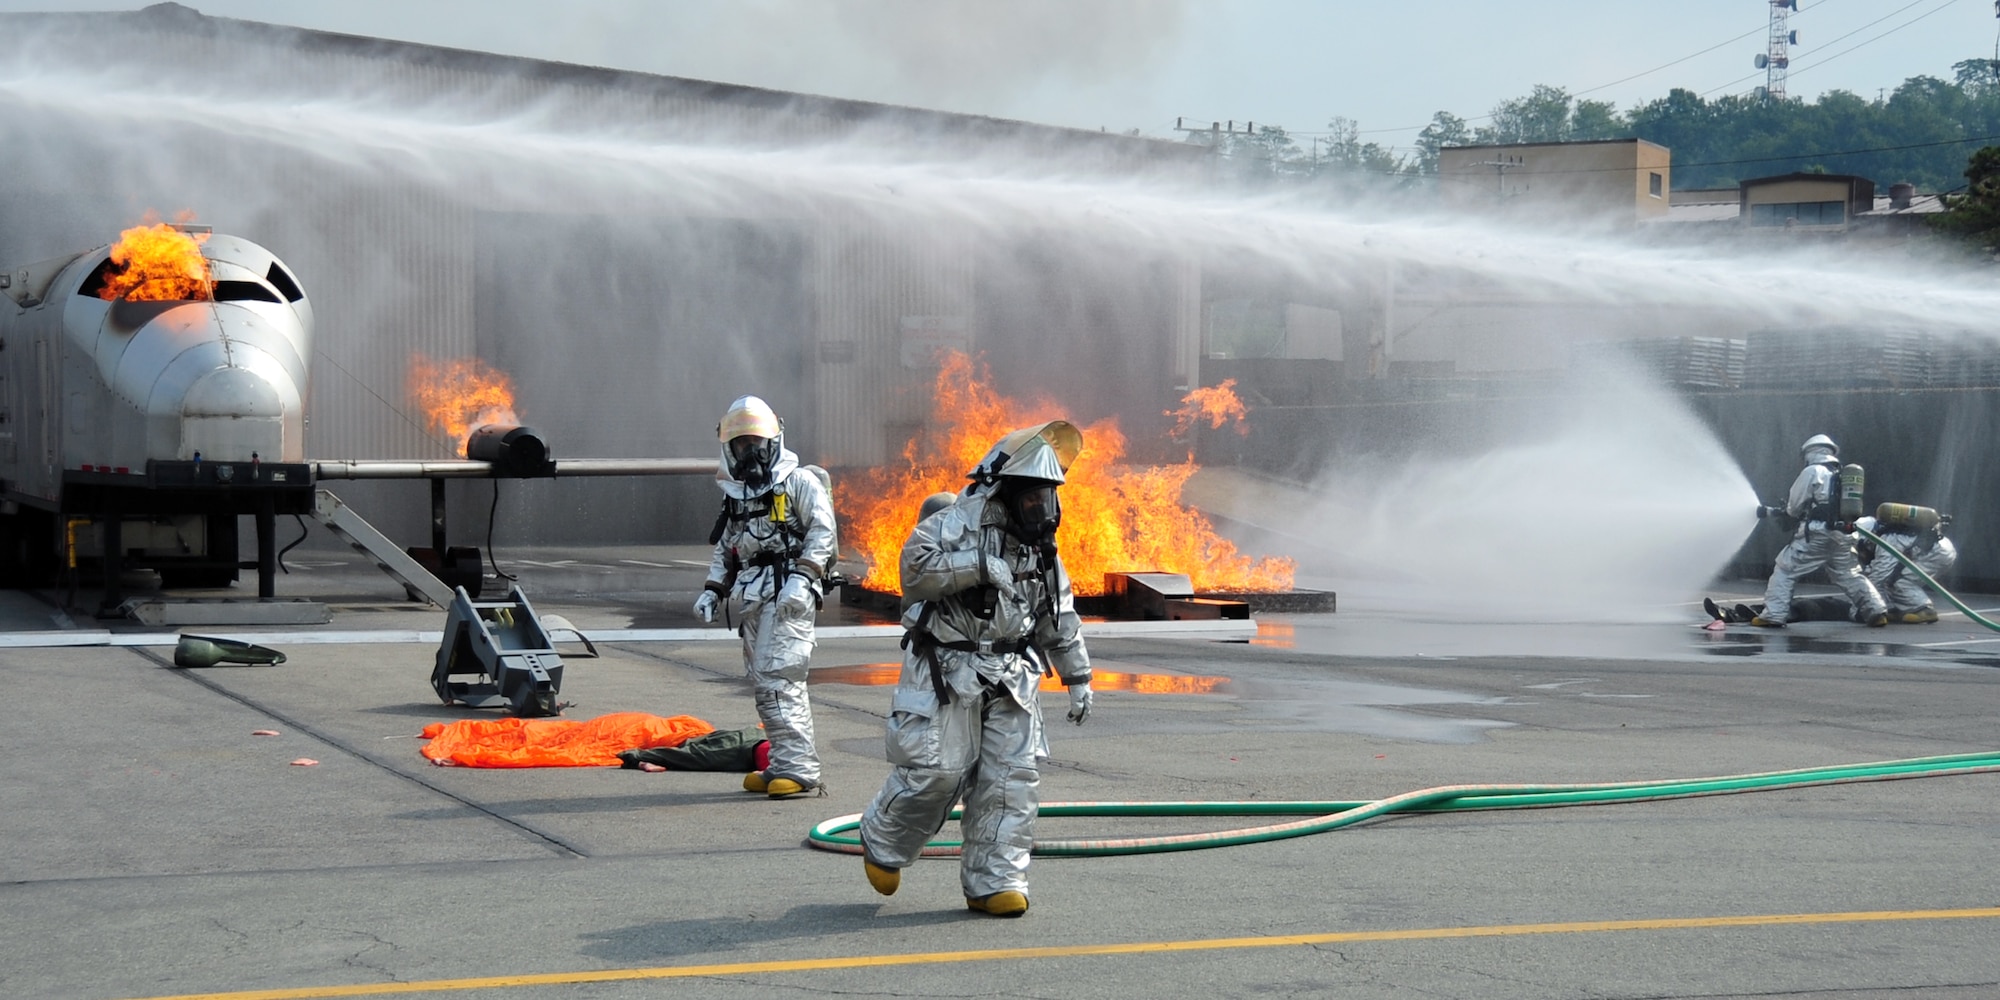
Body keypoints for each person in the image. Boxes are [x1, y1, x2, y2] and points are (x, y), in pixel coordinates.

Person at [856, 420, 1095, 918]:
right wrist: (978, 566)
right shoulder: (950, 525)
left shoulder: (1040, 548)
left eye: (1048, 498)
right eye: (1032, 499)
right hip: (948, 666)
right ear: (1004, 492)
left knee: (1011, 780)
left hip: (1012, 674)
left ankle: (996, 880)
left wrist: (1077, 676)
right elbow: (914, 572)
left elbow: (1058, 613)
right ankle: (884, 835)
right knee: (938, 774)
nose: (1041, 510)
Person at [692, 395, 838, 798]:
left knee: (781, 680)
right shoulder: (737, 494)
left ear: (773, 442)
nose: (749, 452)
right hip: (755, 594)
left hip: (790, 592)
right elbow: (727, 547)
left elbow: (822, 534)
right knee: (762, 682)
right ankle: (781, 763)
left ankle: (800, 768)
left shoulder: (798, 483)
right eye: (741, 445)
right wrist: (712, 589)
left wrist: (803, 579)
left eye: (755, 443)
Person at [1714, 506, 1959, 625]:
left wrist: (1861, 608)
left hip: (1937, 554)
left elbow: (1879, 576)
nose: (1861, 552)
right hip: (1939, 550)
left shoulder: (1886, 539)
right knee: (1898, 579)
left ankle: (1923, 609)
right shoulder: (1886, 532)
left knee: (1898, 580)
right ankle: (1902, 609)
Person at [1750, 434, 1887, 628]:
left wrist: (1787, 512)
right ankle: (1876, 610)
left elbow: (1794, 506)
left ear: (1809, 453)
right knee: (1849, 574)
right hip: (1844, 534)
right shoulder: (1842, 474)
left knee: (1785, 570)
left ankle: (1773, 614)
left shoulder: (1812, 471)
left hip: (1817, 533)